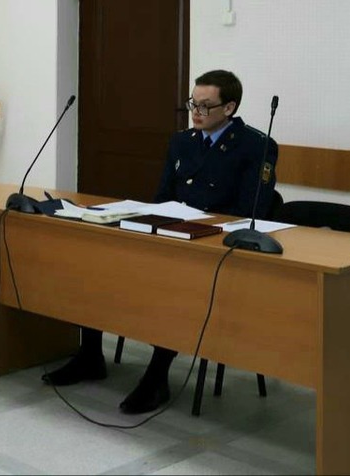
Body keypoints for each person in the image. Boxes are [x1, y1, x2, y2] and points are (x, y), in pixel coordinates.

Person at [43, 70, 278, 414]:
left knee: (171, 287)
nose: (196, 112)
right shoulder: (182, 141)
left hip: (214, 250)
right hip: (171, 236)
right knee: (99, 267)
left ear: (229, 108)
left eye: (205, 106)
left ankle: (157, 377)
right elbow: (162, 197)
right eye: (192, 104)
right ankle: (90, 355)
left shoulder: (255, 145)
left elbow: (249, 211)